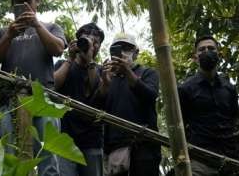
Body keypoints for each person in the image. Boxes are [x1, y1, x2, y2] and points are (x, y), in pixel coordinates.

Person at [0, 0, 66, 176]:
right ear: (12, 5)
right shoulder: (1, 31)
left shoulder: (51, 27)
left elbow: (58, 49)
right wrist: (9, 35)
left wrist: (37, 25)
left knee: (49, 157)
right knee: (12, 156)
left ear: (37, 1)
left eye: (28, 0)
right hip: (9, 101)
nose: (23, 5)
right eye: (18, 1)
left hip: (45, 100)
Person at [178, 34, 239, 176]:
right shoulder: (185, 89)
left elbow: (234, 119)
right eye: (202, 49)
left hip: (229, 159)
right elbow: (180, 124)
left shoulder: (229, 88)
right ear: (195, 57)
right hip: (200, 160)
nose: (207, 52)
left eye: (211, 48)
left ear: (219, 54)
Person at [98, 33, 160, 176]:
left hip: (144, 147)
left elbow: (150, 95)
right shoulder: (107, 77)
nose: (123, 53)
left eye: (127, 48)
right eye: (118, 49)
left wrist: (127, 71)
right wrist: (105, 85)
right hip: (115, 150)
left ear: (136, 53)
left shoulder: (147, 73)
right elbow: (97, 110)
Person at [54, 22, 105, 176]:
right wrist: (70, 58)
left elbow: (95, 90)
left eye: (96, 43)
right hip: (64, 138)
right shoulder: (63, 64)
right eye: (87, 41)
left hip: (92, 140)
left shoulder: (101, 70)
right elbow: (54, 85)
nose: (92, 46)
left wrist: (89, 60)